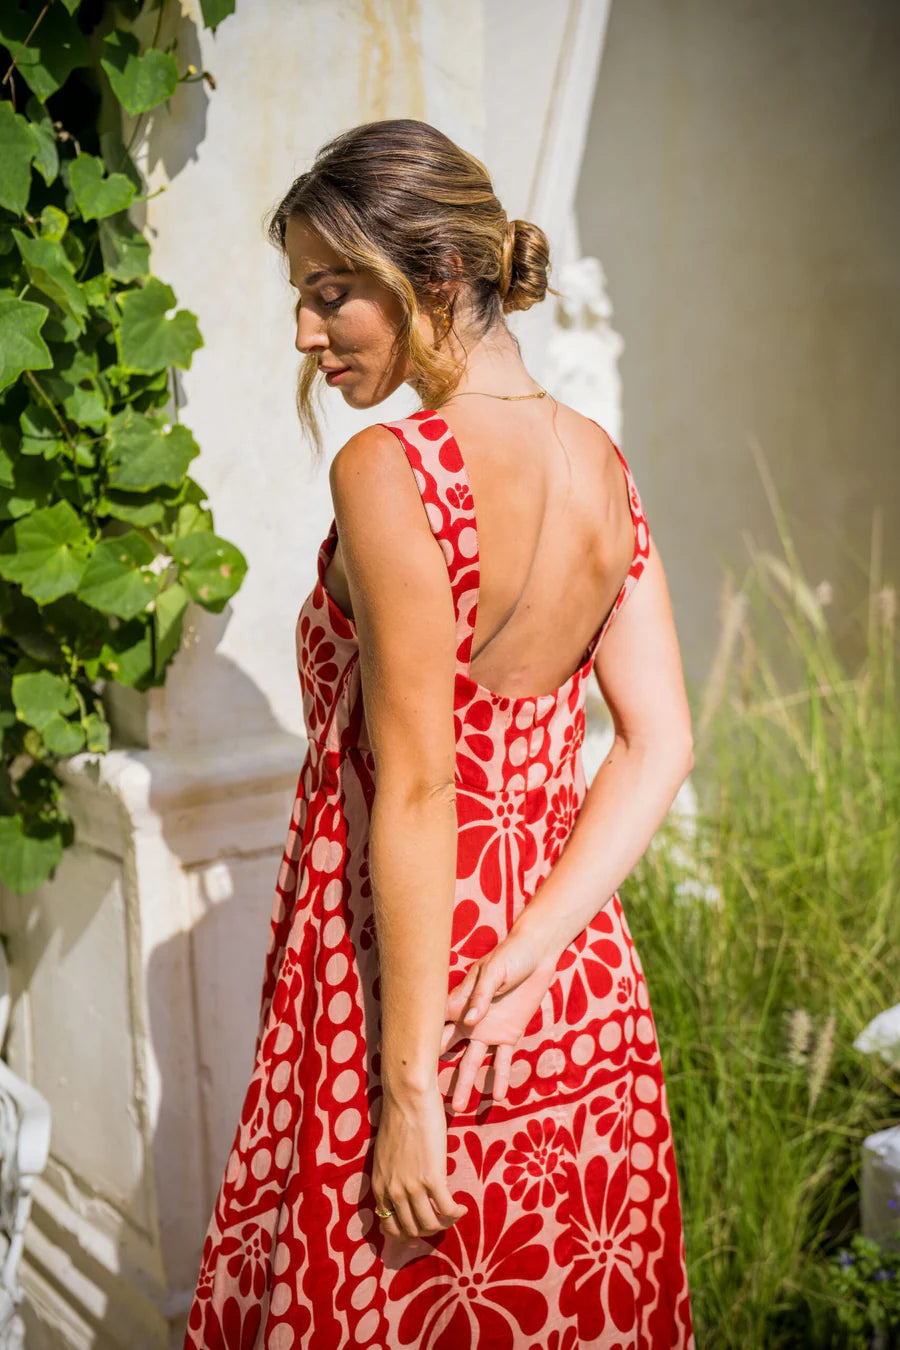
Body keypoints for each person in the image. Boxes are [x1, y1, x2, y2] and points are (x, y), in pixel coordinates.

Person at [184, 117, 695, 1350]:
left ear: (442, 274)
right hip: (570, 992)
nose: (305, 333)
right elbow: (659, 744)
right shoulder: (601, 464)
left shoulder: (393, 470)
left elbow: (418, 790)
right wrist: (537, 949)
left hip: (413, 1004)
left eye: (333, 293)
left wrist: (406, 1092)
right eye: (302, 296)